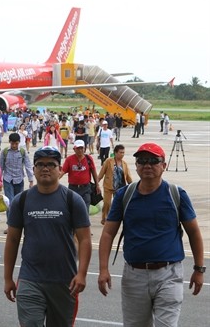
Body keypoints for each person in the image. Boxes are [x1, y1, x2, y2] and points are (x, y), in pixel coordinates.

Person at [98, 143, 205, 327]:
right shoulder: (125, 195)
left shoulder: (176, 194)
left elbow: (194, 232)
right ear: (136, 165)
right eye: (142, 160)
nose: (147, 165)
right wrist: (103, 269)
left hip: (169, 274)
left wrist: (199, 269)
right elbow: (108, 233)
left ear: (164, 166)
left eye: (154, 161)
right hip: (134, 276)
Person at [4, 147, 92, 326]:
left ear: (60, 170)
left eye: (51, 164)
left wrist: (81, 273)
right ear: (33, 169)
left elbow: (84, 239)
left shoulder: (73, 200)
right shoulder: (21, 201)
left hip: (64, 281)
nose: (46, 168)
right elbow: (12, 240)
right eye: (40, 164)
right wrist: (7, 278)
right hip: (30, 279)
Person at [0, 133, 34, 234]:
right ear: (10, 142)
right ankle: (10, 225)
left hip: (19, 180)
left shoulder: (23, 152)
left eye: (16, 143)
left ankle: (18, 225)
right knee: (9, 202)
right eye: (13, 143)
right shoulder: (5, 152)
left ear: (19, 143)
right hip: (7, 180)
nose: (14, 145)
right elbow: (0, 167)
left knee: (19, 203)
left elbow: (28, 165)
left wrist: (31, 180)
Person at [97, 144, 133, 225]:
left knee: (119, 205)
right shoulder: (108, 161)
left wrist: (133, 186)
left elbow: (128, 177)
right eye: (120, 152)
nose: (122, 154)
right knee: (107, 203)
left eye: (123, 152)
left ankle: (117, 218)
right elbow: (101, 173)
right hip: (108, 186)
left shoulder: (124, 164)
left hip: (120, 188)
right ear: (116, 152)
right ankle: (104, 218)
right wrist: (96, 184)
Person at [60, 139, 101, 212]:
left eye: (82, 148)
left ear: (85, 149)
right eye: (78, 148)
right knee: (73, 210)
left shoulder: (89, 159)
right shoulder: (69, 159)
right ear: (74, 149)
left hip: (86, 189)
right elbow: (62, 172)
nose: (80, 150)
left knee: (85, 210)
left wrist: (97, 185)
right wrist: (54, 180)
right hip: (73, 189)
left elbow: (94, 172)